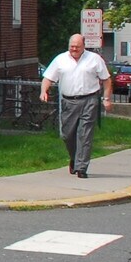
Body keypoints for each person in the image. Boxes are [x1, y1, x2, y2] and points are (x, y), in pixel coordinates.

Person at [41, 32, 112, 177]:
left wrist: (106, 98)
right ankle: (74, 158)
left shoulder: (94, 59)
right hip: (68, 102)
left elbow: (106, 80)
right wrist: (44, 91)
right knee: (67, 135)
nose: (74, 49)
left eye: (77, 47)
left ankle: (81, 168)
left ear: (84, 46)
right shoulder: (60, 59)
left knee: (85, 134)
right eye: (72, 46)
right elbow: (48, 78)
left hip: (89, 100)